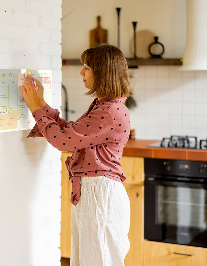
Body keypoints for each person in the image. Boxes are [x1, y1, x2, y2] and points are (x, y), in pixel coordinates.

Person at [20, 44, 132, 266]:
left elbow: (63, 141)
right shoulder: (105, 106)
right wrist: (41, 103)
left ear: (103, 72)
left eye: (87, 67)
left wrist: (35, 108)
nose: (81, 72)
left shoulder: (109, 111)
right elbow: (71, 133)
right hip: (95, 193)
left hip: (100, 195)